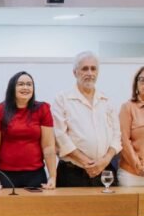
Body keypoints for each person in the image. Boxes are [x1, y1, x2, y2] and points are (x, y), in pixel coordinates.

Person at [52, 51, 122, 187]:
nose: (89, 73)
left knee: (108, 209)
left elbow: (116, 135)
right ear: (75, 72)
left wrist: (105, 160)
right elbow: (60, 135)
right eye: (85, 68)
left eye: (93, 68)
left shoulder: (106, 100)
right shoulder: (62, 99)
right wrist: (86, 162)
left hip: (105, 170)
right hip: (73, 173)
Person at [0, 71, 57, 190]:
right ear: (12, 87)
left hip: (35, 174)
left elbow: (48, 146)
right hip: (5, 175)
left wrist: (52, 177)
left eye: (29, 84)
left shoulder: (43, 109)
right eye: (21, 84)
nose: (25, 87)